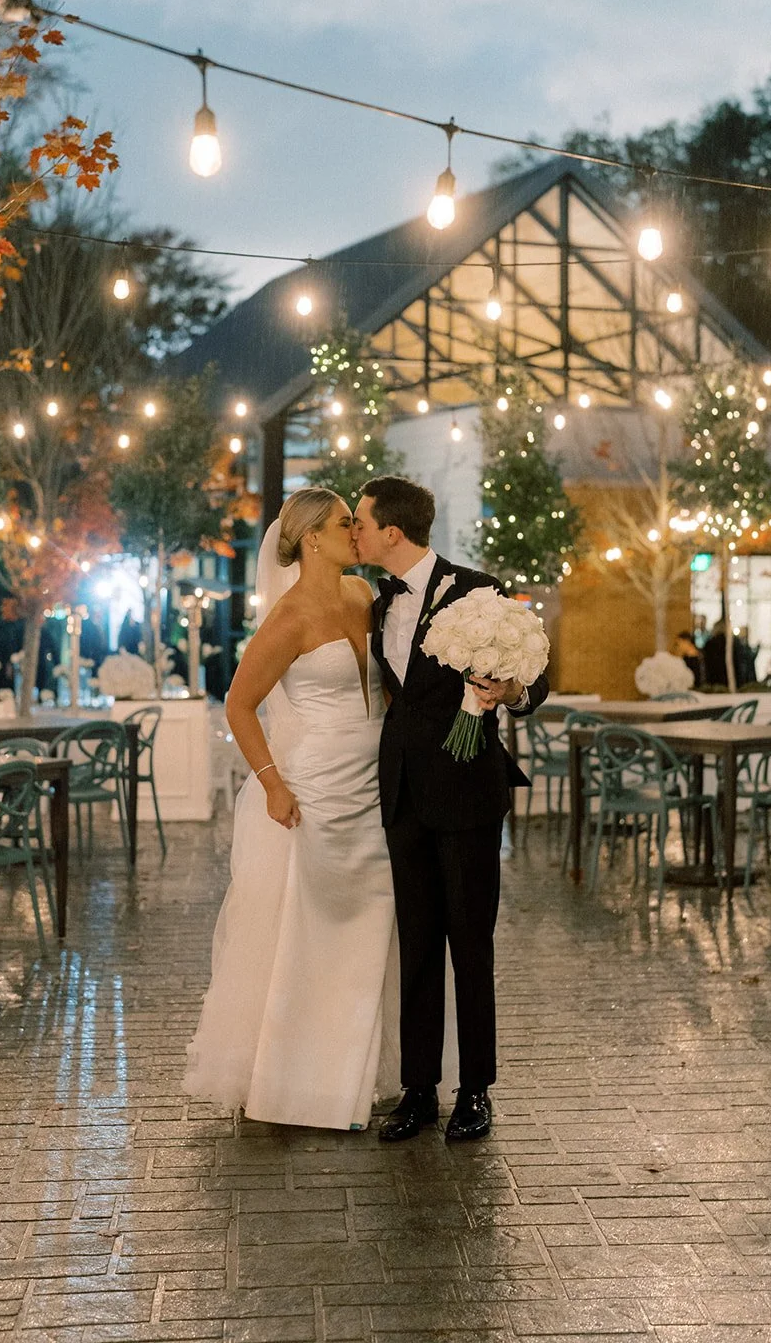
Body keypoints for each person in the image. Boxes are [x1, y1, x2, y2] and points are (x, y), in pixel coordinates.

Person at [183, 488, 399, 1131]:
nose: (355, 534)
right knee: (305, 929)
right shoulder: (289, 617)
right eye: (344, 525)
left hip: (373, 788)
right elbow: (238, 704)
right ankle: (295, 1078)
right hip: (314, 790)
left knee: (372, 927)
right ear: (311, 539)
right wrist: (274, 783)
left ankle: (358, 1073)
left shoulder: (363, 597)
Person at [353, 475, 550, 1144]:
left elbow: (534, 676)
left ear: (391, 530)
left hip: (467, 789)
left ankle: (475, 1090)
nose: (354, 531)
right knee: (415, 946)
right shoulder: (379, 605)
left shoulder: (476, 589)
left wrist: (509, 688)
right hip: (404, 791)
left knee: (470, 944)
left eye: (359, 521)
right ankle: (416, 1090)